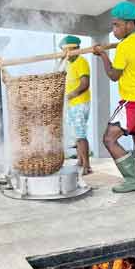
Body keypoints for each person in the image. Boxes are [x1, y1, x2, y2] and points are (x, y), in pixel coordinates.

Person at [93, 1, 135, 193]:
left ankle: (132, 180)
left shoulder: (124, 47)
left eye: (117, 25)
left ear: (129, 24)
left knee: (109, 139)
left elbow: (114, 76)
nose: (114, 30)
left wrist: (103, 56)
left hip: (132, 100)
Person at [60, 35, 92, 175]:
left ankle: (87, 166)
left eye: (68, 50)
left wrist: (69, 96)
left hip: (79, 103)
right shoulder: (70, 63)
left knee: (80, 135)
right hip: (72, 104)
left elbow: (85, 85)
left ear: (75, 49)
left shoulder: (81, 61)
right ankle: (80, 161)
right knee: (76, 135)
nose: (66, 54)